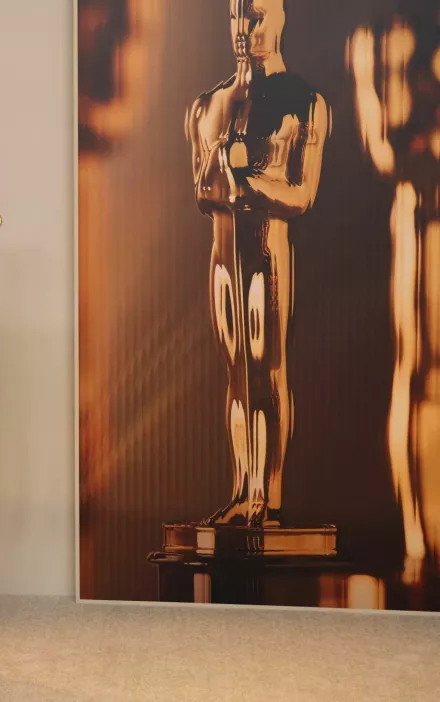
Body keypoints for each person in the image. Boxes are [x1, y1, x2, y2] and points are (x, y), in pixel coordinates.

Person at [186, 0, 328, 527]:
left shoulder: (302, 100)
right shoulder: (208, 104)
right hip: (223, 255)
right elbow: (202, 191)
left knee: (266, 369)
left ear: (280, 17)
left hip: (268, 251)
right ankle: (242, 486)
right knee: (234, 373)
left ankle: (267, 494)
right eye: (238, 16)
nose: (245, 28)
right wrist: (233, 179)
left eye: (257, 15)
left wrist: (241, 180)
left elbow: (301, 194)